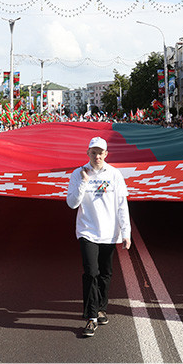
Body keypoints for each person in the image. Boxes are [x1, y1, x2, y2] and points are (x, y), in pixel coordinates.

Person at [66, 137, 131, 337]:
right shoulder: (78, 173)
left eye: (100, 152)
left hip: (109, 232)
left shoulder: (114, 174)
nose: (97, 156)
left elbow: (122, 204)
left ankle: (101, 308)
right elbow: (72, 203)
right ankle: (91, 317)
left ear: (106, 154)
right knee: (91, 272)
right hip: (87, 231)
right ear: (88, 153)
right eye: (93, 152)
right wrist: (83, 183)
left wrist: (126, 232)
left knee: (105, 274)